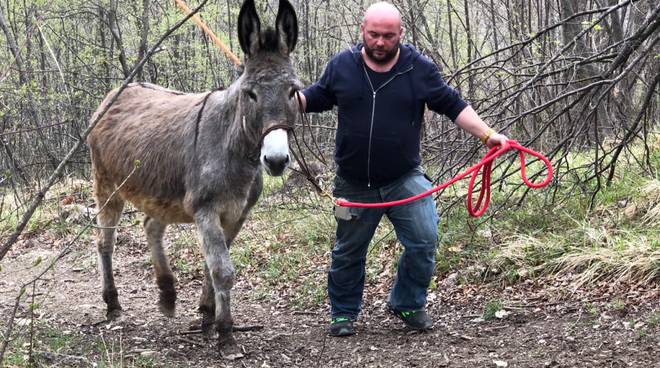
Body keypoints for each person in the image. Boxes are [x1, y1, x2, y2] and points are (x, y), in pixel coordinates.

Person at [296, 1, 509, 337]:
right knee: (349, 251)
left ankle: (407, 302)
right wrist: (280, 100)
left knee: (424, 239)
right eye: (374, 34)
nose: (380, 42)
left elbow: (453, 104)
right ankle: (343, 314)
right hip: (353, 182)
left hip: (404, 178)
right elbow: (315, 97)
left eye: (388, 36)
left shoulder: (418, 68)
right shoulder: (343, 65)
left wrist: (488, 135)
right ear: (363, 31)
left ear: (401, 34)